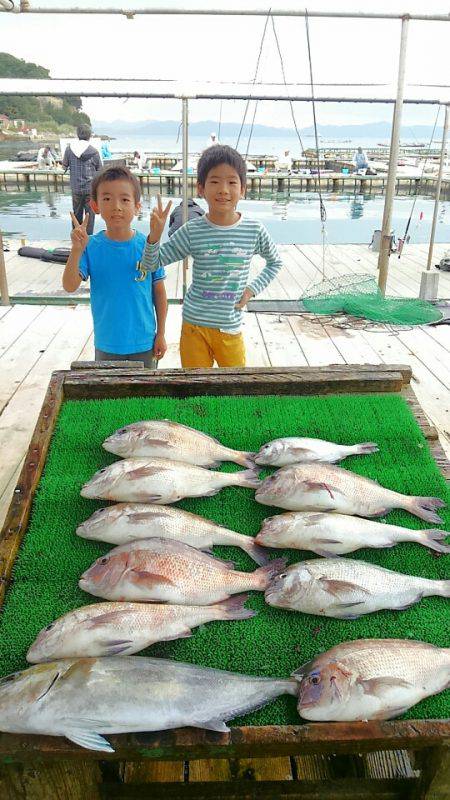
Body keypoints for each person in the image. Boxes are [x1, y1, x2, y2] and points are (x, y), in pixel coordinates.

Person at [141, 144, 283, 369]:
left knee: (233, 387)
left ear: (243, 189)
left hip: (230, 327)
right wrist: (154, 237)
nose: (223, 189)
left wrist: (251, 290)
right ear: (201, 188)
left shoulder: (254, 229)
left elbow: (275, 262)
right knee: (195, 387)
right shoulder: (192, 230)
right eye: (215, 181)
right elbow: (151, 264)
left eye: (232, 182)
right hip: (194, 328)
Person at [62, 165, 167, 369]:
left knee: (144, 395)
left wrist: (161, 334)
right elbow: (69, 285)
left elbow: (159, 293)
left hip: (144, 341)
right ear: (95, 205)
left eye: (125, 199)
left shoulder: (149, 246)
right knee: (109, 395)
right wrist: (76, 250)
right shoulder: (90, 246)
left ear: (137, 206)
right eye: (107, 199)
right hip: (107, 343)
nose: (116, 206)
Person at [62, 124, 102, 235]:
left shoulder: (69, 150)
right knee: (90, 215)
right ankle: (88, 240)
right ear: (89, 135)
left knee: (76, 215)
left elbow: (64, 167)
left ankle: (76, 239)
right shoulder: (94, 151)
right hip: (90, 188)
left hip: (76, 189)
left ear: (77, 134)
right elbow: (100, 170)